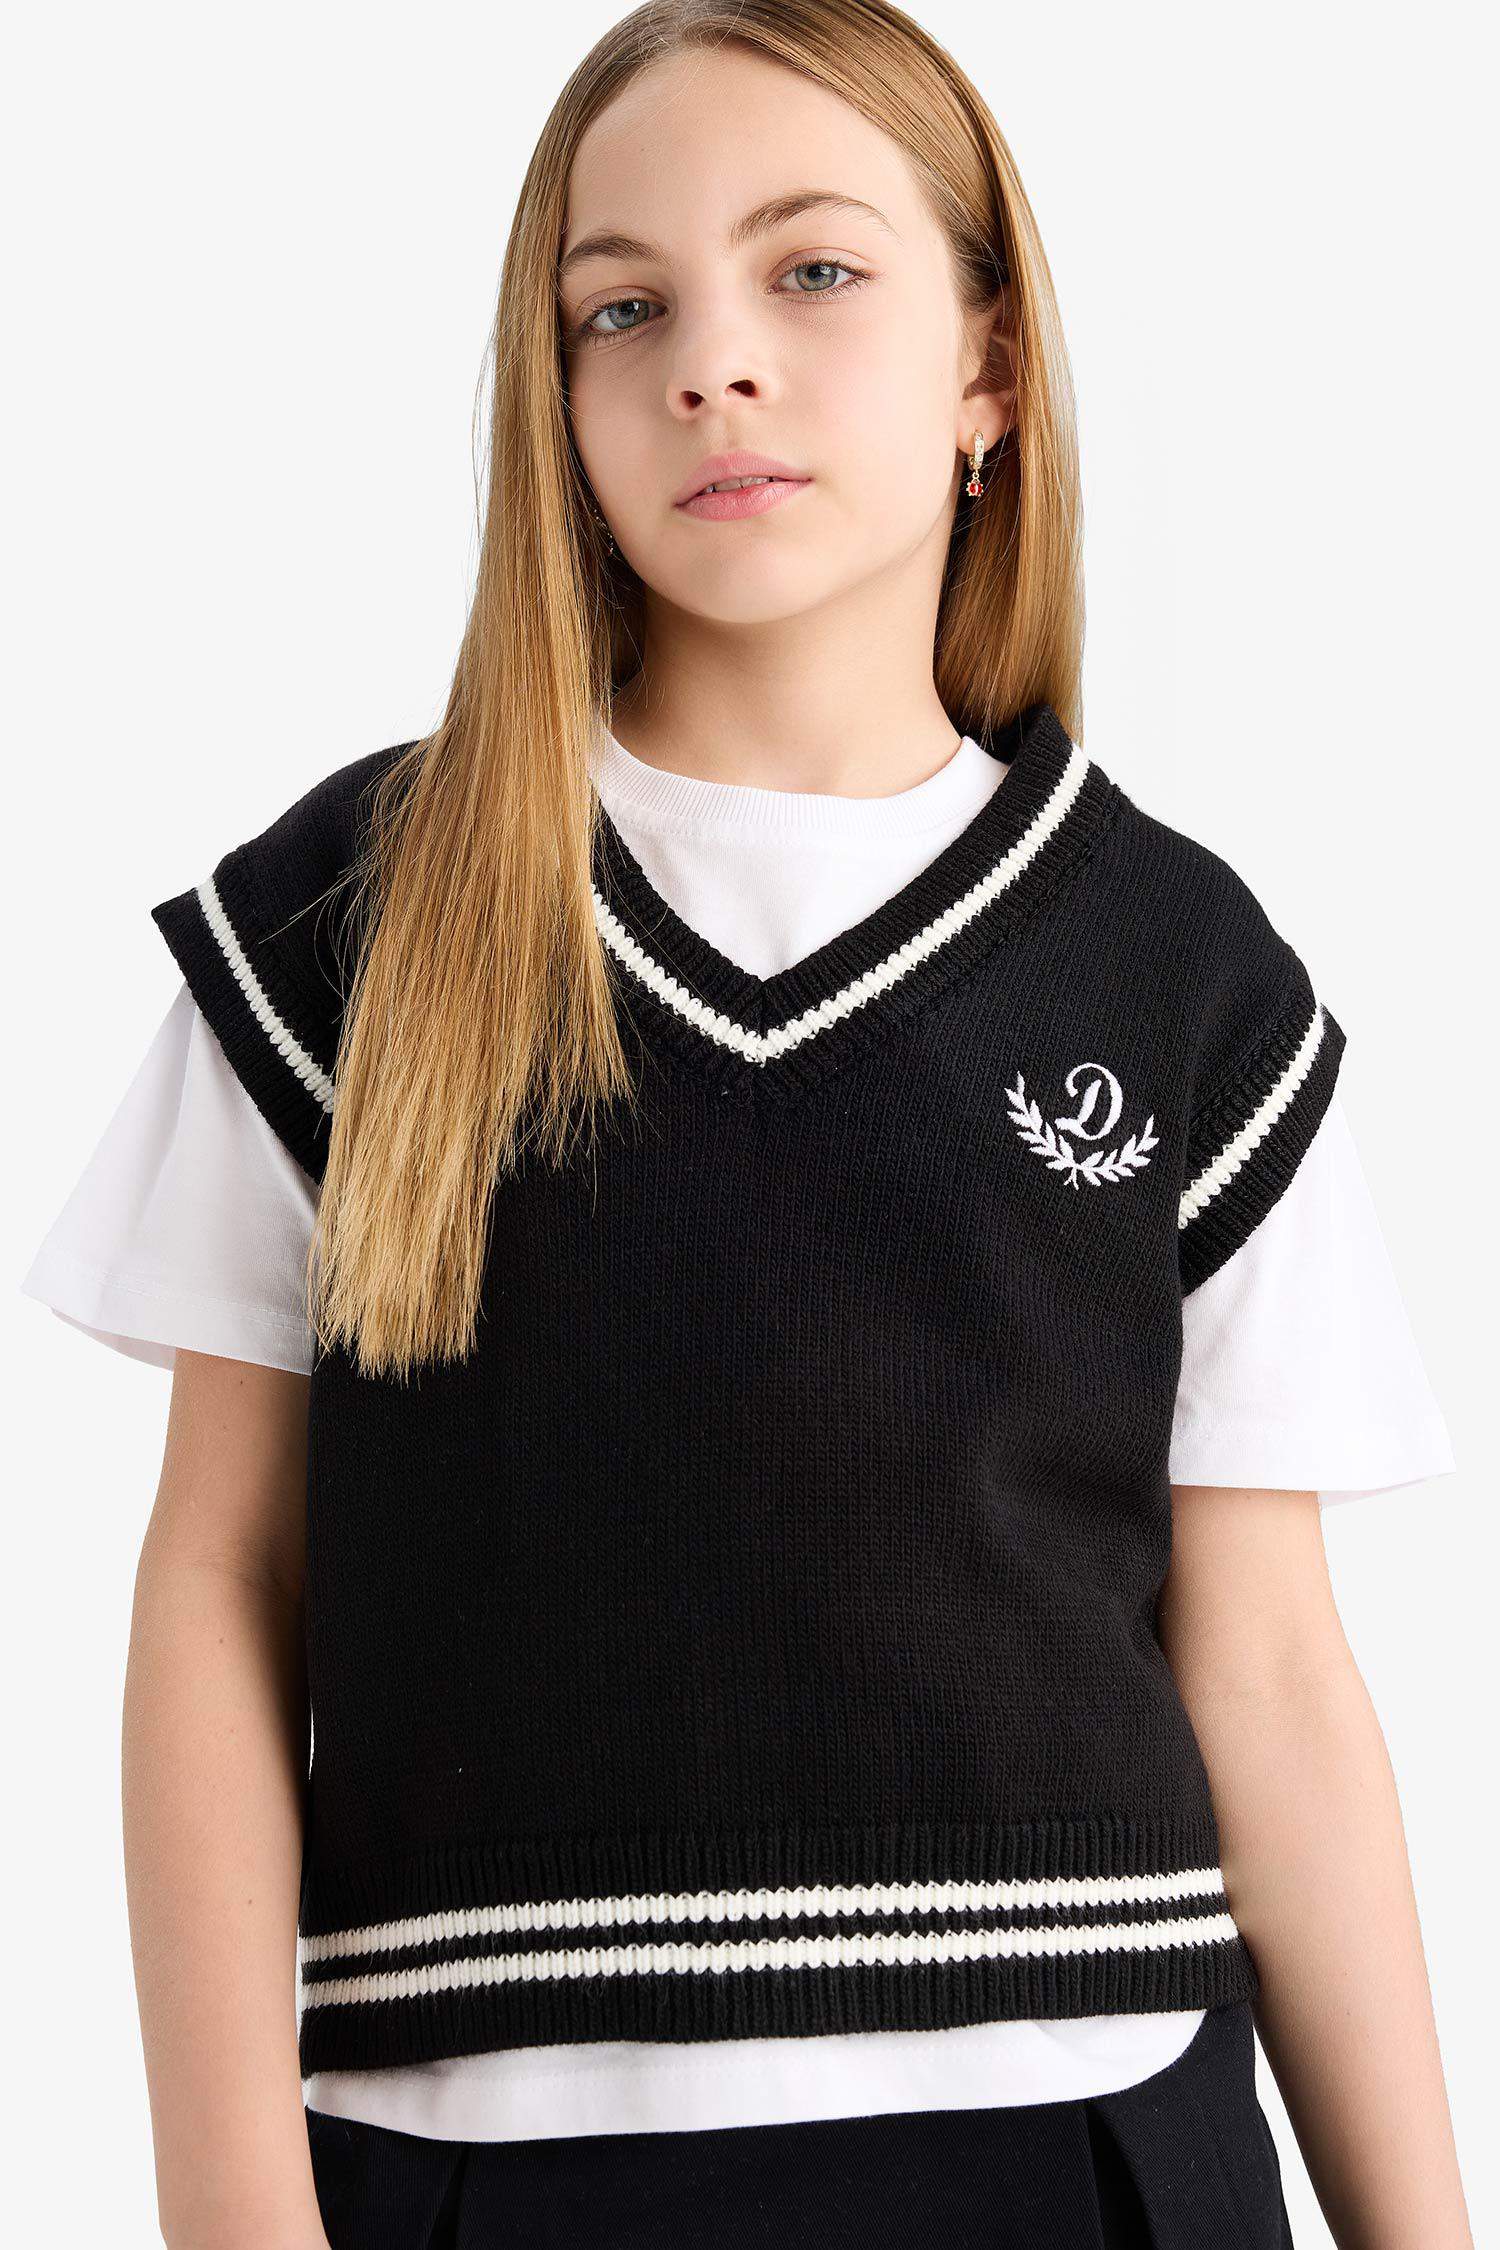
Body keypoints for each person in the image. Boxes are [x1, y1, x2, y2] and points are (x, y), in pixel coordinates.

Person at [20, 3, 1471, 2244]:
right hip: (476, 2165)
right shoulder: (349, 926)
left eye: (813, 272)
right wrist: (230, 2207)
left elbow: (1272, 1669)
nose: (713, 362)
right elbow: (222, 1578)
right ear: (558, 405)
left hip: (1090, 2148)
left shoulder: (1176, 968)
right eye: (624, 308)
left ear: (991, 372)